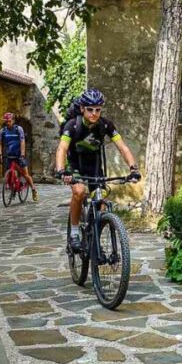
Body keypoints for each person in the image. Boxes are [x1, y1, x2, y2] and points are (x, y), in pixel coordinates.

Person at [54, 88, 140, 253]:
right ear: (82, 109)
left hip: (94, 166)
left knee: (100, 202)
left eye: (98, 110)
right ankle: (74, 233)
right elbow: (62, 148)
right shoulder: (72, 125)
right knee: (79, 191)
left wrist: (133, 168)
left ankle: (94, 238)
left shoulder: (105, 125)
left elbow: (122, 147)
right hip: (75, 165)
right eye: (90, 109)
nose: (94, 113)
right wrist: (62, 170)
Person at [0, 112, 38, 202]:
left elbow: (22, 141)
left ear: (13, 121)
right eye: (6, 121)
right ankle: (13, 189)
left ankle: (33, 189)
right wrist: (0, 154)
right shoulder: (3, 131)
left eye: (9, 121)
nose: (8, 123)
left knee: (25, 175)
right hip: (9, 154)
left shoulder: (18, 129)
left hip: (19, 154)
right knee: (10, 173)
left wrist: (22, 154)